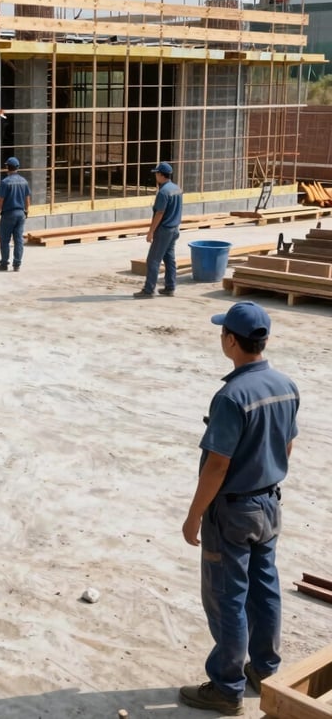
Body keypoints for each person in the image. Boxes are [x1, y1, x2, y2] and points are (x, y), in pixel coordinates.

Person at [179, 302, 299, 716]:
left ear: (231, 340)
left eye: (222, 333)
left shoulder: (232, 396)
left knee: (227, 596)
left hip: (232, 511)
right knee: (264, 589)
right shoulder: (285, 385)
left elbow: (217, 464)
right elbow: (287, 444)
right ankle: (265, 671)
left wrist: (195, 514)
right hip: (269, 503)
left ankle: (226, 686)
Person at [134, 161, 183, 298]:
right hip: (174, 229)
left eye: (156, 174)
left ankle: (148, 290)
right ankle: (170, 287)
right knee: (169, 259)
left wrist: (151, 232)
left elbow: (159, 213)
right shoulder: (177, 189)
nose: (155, 176)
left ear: (161, 175)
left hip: (164, 230)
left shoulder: (163, 192)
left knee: (153, 260)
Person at [0, 156, 31, 272]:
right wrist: (27, 211)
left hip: (9, 214)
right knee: (18, 240)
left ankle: (4, 263)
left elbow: (0, 200)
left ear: (7, 167)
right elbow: (27, 198)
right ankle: (17, 264)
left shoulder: (5, 182)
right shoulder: (24, 181)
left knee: (5, 240)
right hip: (20, 213)